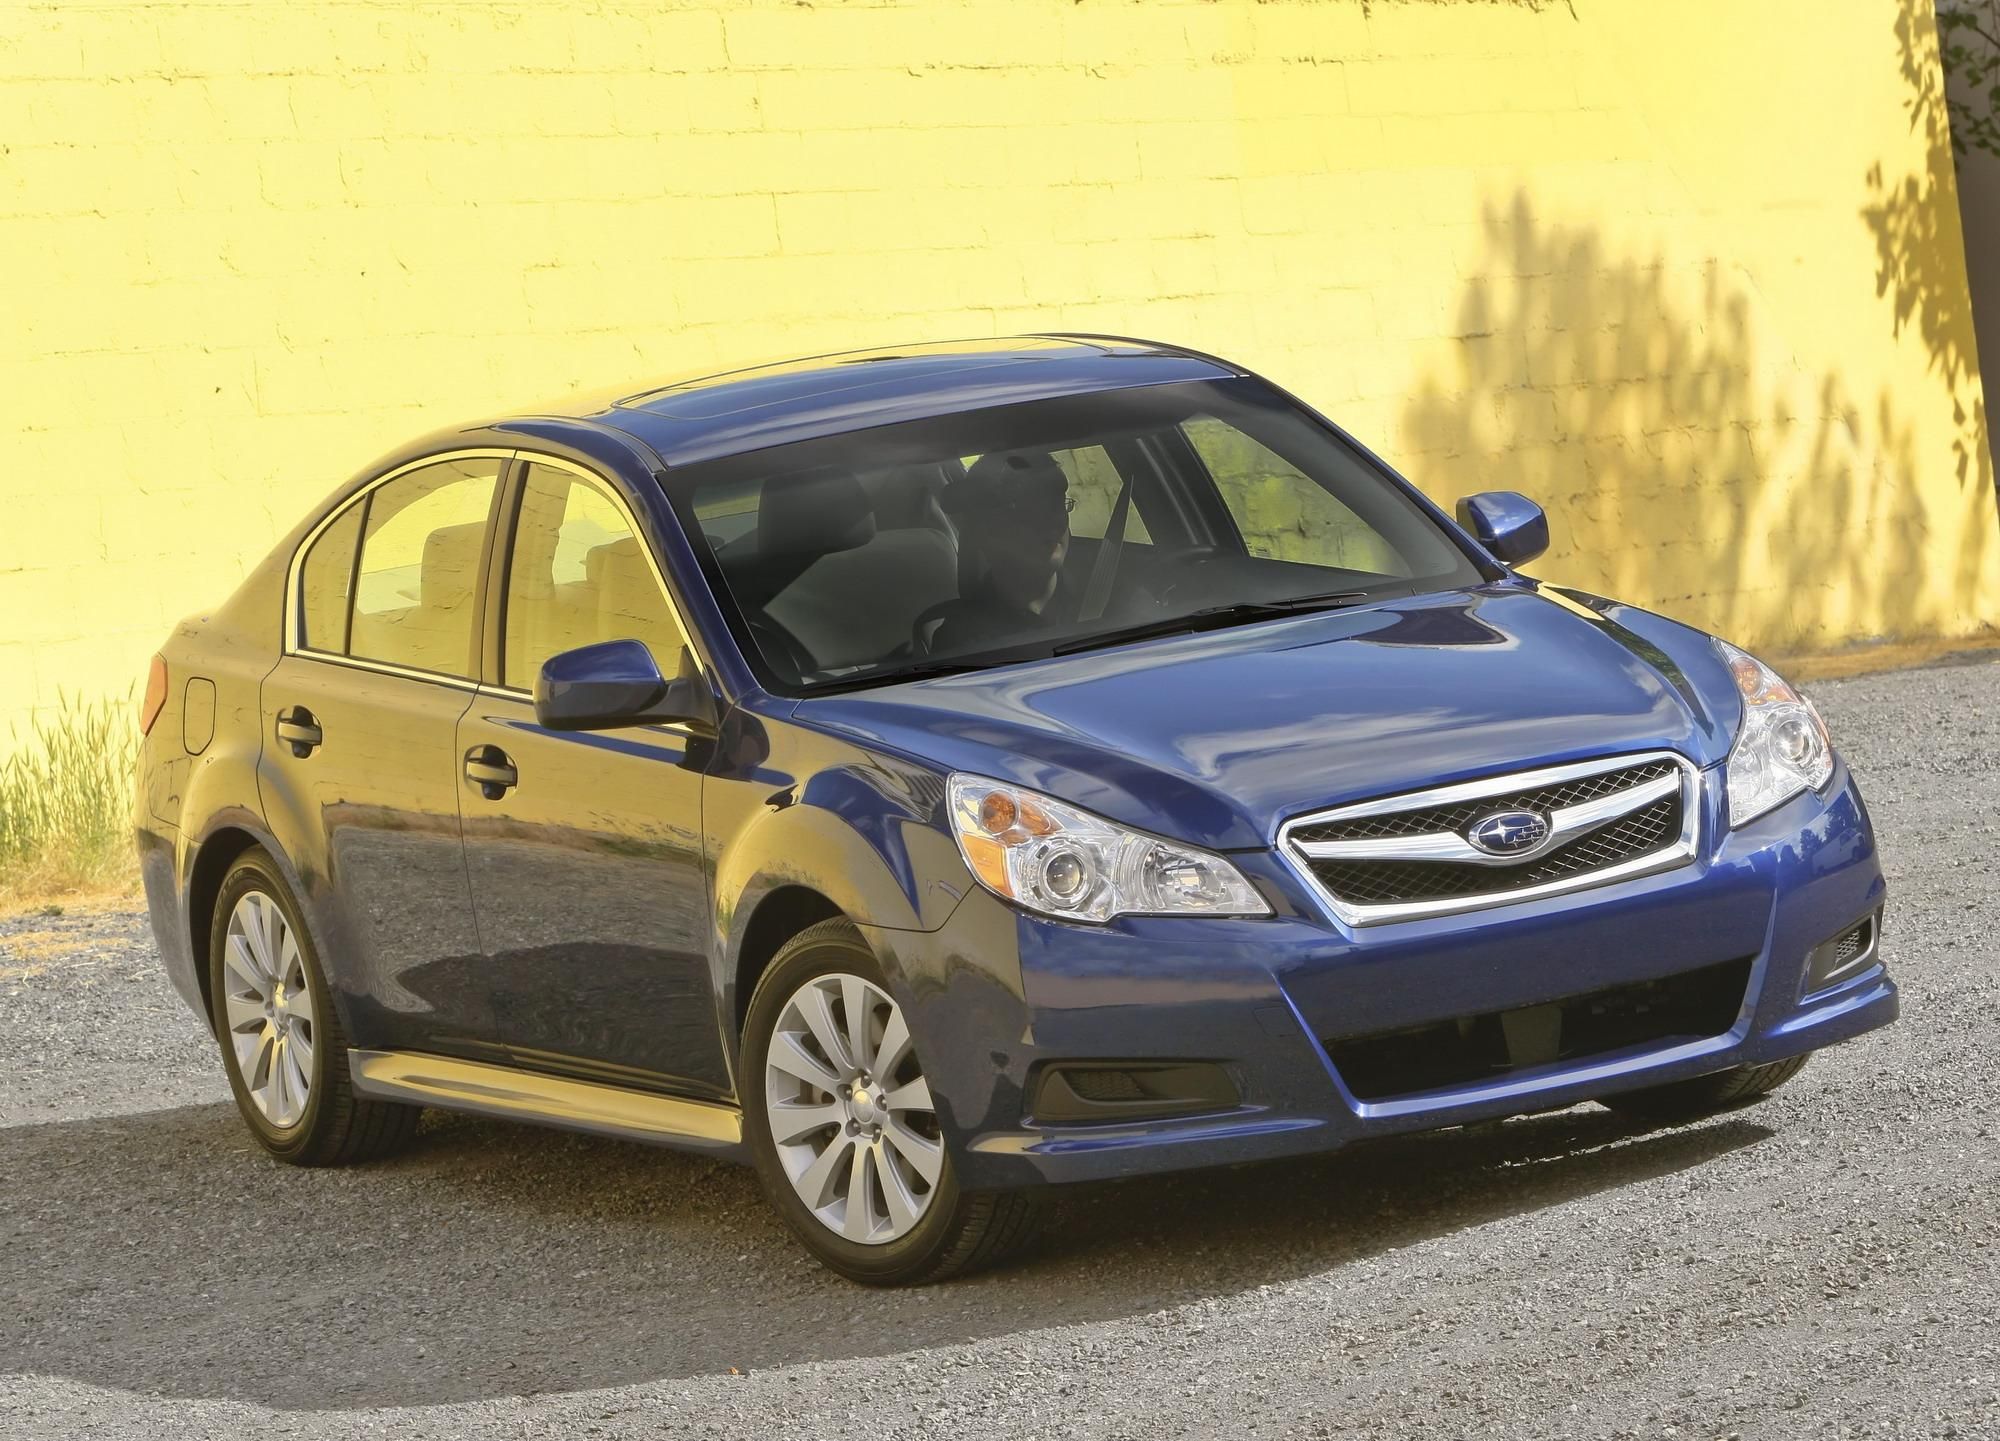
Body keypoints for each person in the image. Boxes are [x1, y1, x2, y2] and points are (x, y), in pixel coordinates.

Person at [927, 450, 1074, 655]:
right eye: (1027, 509)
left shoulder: (1120, 599)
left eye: (1057, 504)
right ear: (985, 531)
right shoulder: (962, 641)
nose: (1053, 522)